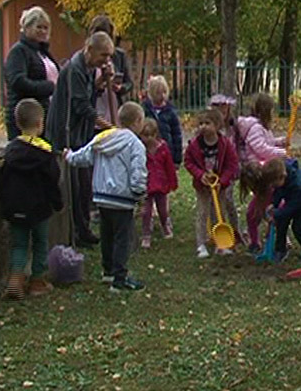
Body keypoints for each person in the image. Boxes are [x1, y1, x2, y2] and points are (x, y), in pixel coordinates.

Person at [64, 102, 147, 292]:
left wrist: (69, 156)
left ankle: (107, 271)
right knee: (121, 238)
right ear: (138, 121)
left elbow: (84, 156)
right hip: (122, 197)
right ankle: (120, 278)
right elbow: (138, 171)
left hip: (102, 196)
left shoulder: (103, 138)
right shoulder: (135, 144)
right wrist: (139, 192)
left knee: (107, 234)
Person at [46, 32, 116, 247]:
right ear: (89, 49)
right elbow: (81, 106)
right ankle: (75, 232)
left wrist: (102, 82)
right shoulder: (74, 70)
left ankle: (83, 229)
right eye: (103, 55)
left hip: (81, 135)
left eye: (109, 56)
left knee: (85, 185)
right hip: (67, 136)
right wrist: (111, 128)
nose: (106, 60)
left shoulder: (88, 69)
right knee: (75, 187)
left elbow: (88, 97)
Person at [1, 99, 64, 300]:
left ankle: (16, 279)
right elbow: (52, 182)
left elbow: (4, 179)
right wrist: (57, 203)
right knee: (39, 243)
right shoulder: (45, 154)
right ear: (40, 124)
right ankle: (37, 280)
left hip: (15, 206)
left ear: (17, 124)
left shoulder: (11, 151)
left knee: (19, 244)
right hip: (39, 208)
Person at [236, 93, 287, 253]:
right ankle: (254, 240)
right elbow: (260, 148)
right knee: (257, 210)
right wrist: (280, 152)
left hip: (267, 171)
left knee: (273, 206)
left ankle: (280, 237)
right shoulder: (256, 128)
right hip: (260, 173)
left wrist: (279, 141)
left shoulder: (262, 128)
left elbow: (267, 142)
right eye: (271, 110)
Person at [184, 108, 239, 259]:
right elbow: (188, 162)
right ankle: (200, 244)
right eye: (200, 123)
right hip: (202, 186)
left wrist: (222, 181)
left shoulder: (225, 145)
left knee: (219, 213)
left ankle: (219, 243)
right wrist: (200, 175)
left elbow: (231, 165)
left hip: (219, 187)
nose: (203, 126)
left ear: (217, 125)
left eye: (207, 123)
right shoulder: (195, 145)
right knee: (202, 213)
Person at [3, 6, 59, 140]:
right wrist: (49, 87)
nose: (43, 31)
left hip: (45, 115)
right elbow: (17, 81)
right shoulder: (18, 52)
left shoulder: (43, 53)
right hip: (25, 118)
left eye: (46, 28)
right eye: (38, 27)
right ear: (27, 27)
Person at [209, 93, 245, 243]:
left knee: (228, 199)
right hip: (213, 170)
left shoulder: (233, 127)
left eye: (225, 110)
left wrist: (240, 162)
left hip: (229, 170)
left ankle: (235, 229)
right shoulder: (209, 129)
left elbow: (240, 146)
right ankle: (216, 229)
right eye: (219, 110)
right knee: (214, 201)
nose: (222, 113)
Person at [88, 14, 134, 124]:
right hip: (94, 107)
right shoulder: (87, 57)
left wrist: (120, 88)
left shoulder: (119, 56)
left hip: (114, 106)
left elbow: (129, 83)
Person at [267, 157, 301, 263]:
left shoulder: (299, 184)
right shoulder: (281, 177)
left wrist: (276, 213)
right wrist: (273, 204)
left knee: (298, 228)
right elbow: (278, 192)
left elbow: (292, 207)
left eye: (273, 184)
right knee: (281, 223)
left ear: (282, 177)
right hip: (291, 201)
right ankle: (280, 249)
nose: (272, 186)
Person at [140, 118, 177, 249]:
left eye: (151, 135)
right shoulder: (140, 149)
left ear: (156, 134)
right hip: (146, 185)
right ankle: (146, 234)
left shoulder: (162, 148)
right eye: (145, 135)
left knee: (163, 209)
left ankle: (165, 224)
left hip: (161, 184)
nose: (149, 138)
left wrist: (172, 181)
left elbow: (169, 166)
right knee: (146, 211)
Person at [142, 75, 183, 168]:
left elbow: (177, 135)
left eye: (164, 92)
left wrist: (177, 159)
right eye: (158, 93)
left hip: (167, 152)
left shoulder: (171, 112)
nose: (162, 96)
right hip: (148, 151)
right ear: (151, 93)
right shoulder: (145, 110)